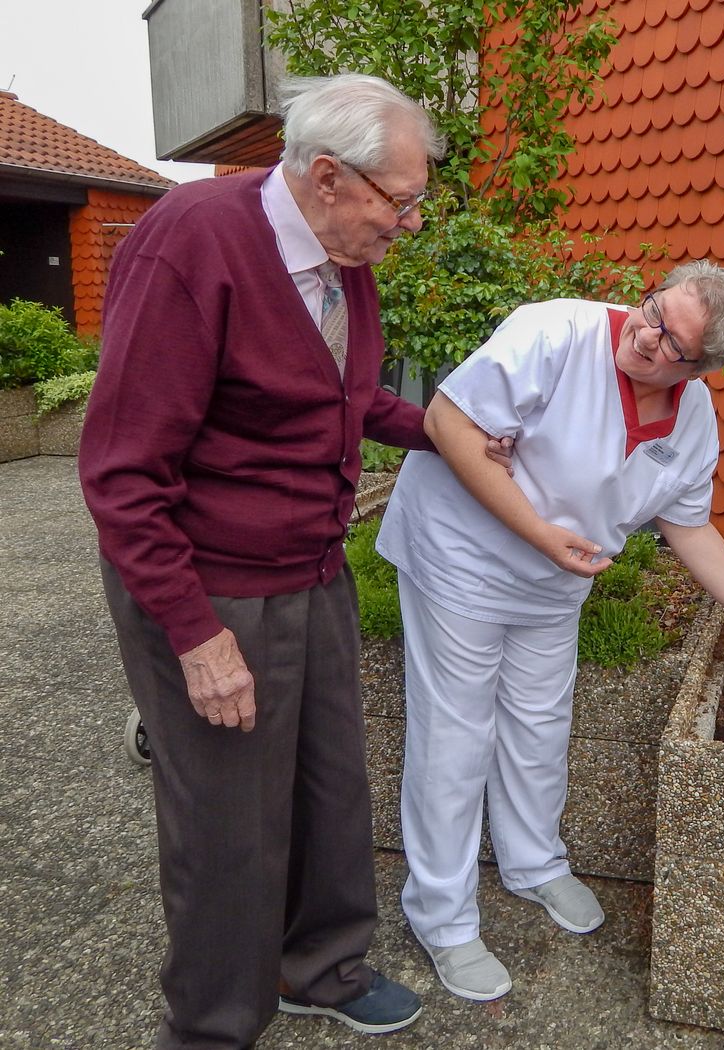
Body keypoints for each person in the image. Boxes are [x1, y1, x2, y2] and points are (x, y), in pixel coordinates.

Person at [79, 74, 448, 1047]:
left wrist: (447, 432)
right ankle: (211, 1023)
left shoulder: (341, 253)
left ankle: (319, 967)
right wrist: (195, 637)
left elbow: (346, 397)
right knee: (228, 826)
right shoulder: (191, 245)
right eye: (399, 200)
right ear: (328, 177)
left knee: (332, 787)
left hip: (312, 566)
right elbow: (122, 473)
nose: (408, 223)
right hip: (209, 583)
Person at [375, 259, 724, 1002]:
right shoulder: (556, 330)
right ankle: (443, 915)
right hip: (462, 558)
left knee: (541, 724)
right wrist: (541, 533)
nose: (646, 337)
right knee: (457, 737)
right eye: (652, 310)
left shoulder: (694, 416)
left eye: (672, 344)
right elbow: (446, 421)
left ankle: (534, 863)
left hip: (554, 582)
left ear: (700, 369)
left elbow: (688, 523)